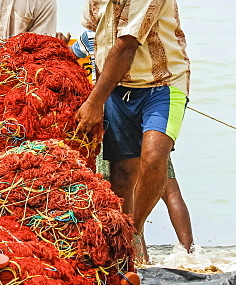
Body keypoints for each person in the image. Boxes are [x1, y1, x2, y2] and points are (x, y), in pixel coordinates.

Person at [73, 0, 191, 263]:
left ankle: (133, 229)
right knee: (121, 174)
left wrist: (95, 101)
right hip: (117, 87)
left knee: (155, 158)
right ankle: (128, 253)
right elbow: (94, 35)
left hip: (162, 83)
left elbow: (126, 45)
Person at [72, 29, 195, 253]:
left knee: (128, 185)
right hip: (140, 108)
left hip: (110, 107)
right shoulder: (138, 30)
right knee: (166, 186)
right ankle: (185, 252)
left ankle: (140, 252)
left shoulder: (89, 37)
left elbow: (70, 56)